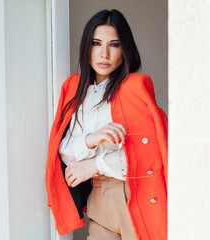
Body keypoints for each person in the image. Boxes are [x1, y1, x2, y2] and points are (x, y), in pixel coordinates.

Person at [45, 9, 168, 240]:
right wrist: (92, 139)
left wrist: (94, 165)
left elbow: (149, 156)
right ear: (87, 47)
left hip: (134, 196)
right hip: (99, 202)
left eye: (114, 45)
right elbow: (66, 153)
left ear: (125, 50)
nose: (104, 54)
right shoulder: (76, 90)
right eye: (96, 43)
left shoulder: (134, 88)